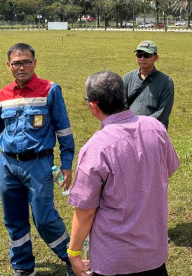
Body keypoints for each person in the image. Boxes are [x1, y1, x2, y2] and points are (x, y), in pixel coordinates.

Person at [0, 43, 75, 276]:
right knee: (14, 220)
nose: (22, 67)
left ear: (35, 63)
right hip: (7, 165)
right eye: (16, 63)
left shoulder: (50, 90)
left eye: (26, 61)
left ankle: (75, 260)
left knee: (45, 219)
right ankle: (23, 267)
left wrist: (66, 165)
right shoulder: (3, 95)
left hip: (39, 164)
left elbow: (64, 131)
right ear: (9, 66)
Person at [67, 71, 180, 276]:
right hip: (154, 254)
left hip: (114, 259)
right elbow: (167, 171)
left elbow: (85, 211)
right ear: (123, 95)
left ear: (93, 106)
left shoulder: (95, 148)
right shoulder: (155, 128)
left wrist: (73, 251)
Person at [123, 40, 174, 129]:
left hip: (153, 131)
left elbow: (163, 112)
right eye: (139, 55)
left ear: (156, 57)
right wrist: (129, 124)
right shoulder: (127, 78)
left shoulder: (166, 82)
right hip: (130, 130)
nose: (142, 58)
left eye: (147, 55)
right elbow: (122, 105)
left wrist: (141, 125)